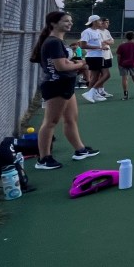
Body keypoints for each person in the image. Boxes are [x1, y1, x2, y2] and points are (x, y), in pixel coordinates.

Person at [29, 11, 99, 169]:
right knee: (50, 122)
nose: (70, 23)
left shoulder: (58, 41)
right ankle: (44, 159)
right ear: (53, 23)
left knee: (71, 119)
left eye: (71, 21)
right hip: (56, 85)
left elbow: (65, 63)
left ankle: (80, 150)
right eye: (66, 21)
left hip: (66, 84)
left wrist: (74, 65)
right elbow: (61, 66)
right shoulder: (53, 42)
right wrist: (81, 65)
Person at [80, 15, 107, 103]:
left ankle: (92, 93)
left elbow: (98, 43)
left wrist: (102, 46)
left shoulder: (97, 31)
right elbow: (83, 45)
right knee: (103, 75)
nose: (101, 22)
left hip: (99, 56)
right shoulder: (87, 32)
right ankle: (90, 93)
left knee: (96, 76)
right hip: (92, 57)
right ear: (94, 22)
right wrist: (99, 47)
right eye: (99, 21)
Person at [116, 31, 134, 100]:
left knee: (125, 79)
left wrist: (119, 63)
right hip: (133, 63)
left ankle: (126, 95)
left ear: (126, 37)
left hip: (123, 64)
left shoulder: (121, 45)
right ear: (133, 37)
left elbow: (118, 55)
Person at [97, 17, 115, 99]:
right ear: (101, 23)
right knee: (104, 74)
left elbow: (112, 41)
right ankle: (96, 91)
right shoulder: (97, 31)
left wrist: (107, 42)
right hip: (101, 55)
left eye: (108, 22)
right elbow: (101, 42)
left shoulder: (107, 31)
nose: (108, 24)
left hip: (108, 55)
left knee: (104, 74)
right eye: (106, 22)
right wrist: (107, 42)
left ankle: (101, 90)